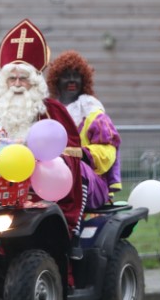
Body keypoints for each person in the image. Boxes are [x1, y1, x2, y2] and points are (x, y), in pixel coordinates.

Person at [0, 19, 85, 236]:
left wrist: (35, 160)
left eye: (23, 79)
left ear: (35, 82)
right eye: (12, 78)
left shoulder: (52, 111)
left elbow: (71, 155)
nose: (16, 84)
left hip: (38, 193)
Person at [45, 50, 122, 208]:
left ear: (84, 79)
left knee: (75, 168)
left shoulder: (93, 112)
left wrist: (81, 153)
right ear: (57, 80)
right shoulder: (48, 111)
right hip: (53, 179)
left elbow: (108, 152)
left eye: (77, 75)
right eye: (66, 75)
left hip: (91, 182)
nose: (72, 80)